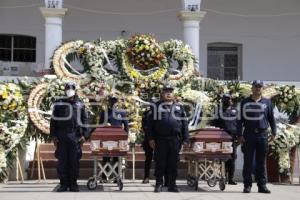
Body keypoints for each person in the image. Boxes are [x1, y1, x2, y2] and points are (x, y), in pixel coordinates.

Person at [147, 85, 189, 193]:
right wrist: (151, 138)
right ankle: (158, 184)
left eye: (170, 91)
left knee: (173, 162)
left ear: (173, 93)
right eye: (166, 91)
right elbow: (150, 124)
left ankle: (172, 185)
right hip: (161, 139)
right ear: (162, 93)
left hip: (175, 139)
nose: (168, 93)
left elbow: (184, 123)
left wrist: (186, 139)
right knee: (160, 162)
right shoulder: (156, 106)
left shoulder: (180, 107)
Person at [237, 80, 276, 194]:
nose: (258, 88)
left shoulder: (267, 102)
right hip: (248, 135)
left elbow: (271, 119)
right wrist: (239, 134)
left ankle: (262, 185)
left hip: (262, 135)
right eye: (256, 86)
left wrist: (274, 132)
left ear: (262, 89)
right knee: (248, 161)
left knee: (261, 162)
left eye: (260, 86)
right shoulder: (245, 102)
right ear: (252, 88)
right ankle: (247, 185)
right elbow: (240, 120)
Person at [50, 82, 90, 192]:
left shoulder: (80, 104)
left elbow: (85, 120)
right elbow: (53, 120)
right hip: (62, 135)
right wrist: (53, 136)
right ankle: (63, 184)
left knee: (74, 161)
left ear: (75, 90)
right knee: (62, 162)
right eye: (67, 89)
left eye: (71, 89)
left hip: (75, 136)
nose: (69, 91)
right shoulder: (58, 103)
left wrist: (85, 136)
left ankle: (73, 184)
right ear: (64, 90)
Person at [99, 96, 129, 180]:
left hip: (118, 138)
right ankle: (104, 177)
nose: (113, 102)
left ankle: (116, 178)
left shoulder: (122, 112)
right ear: (109, 101)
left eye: (115, 100)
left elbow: (126, 126)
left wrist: (126, 138)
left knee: (117, 158)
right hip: (106, 138)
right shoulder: (104, 112)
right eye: (112, 101)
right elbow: (100, 126)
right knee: (106, 158)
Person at [212, 93, 238, 185]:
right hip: (220, 138)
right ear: (222, 101)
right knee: (219, 158)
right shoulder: (218, 111)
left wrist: (239, 135)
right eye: (225, 99)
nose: (227, 101)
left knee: (232, 158)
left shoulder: (235, 110)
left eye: (229, 99)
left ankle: (230, 178)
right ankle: (220, 177)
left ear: (231, 100)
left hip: (232, 138)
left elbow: (238, 124)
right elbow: (213, 124)